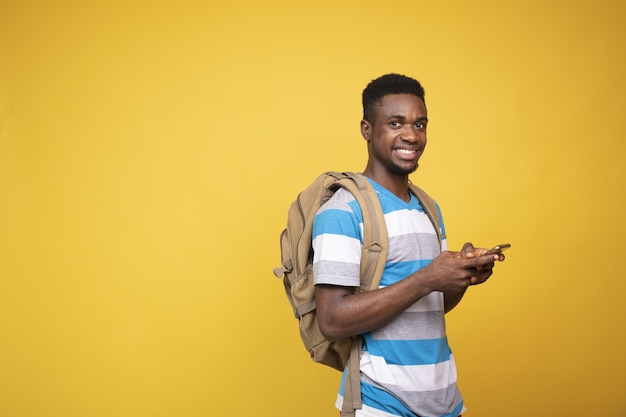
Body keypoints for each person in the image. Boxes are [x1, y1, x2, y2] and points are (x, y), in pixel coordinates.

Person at [312, 73, 505, 417]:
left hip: (443, 400)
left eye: (420, 124)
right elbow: (333, 320)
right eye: (395, 123)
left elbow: (429, 308)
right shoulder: (343, 211)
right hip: (380, 403)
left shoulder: (428, 207)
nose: (411, 135)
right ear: (367, 129)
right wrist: (428, 277)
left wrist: (463, 276)